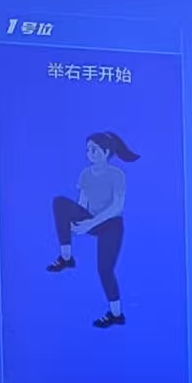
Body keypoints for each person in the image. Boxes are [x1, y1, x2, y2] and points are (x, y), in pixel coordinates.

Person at [46, 130, 141, 327]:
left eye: (94, 150)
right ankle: (66, 257)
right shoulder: (85, 174)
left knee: (104, 269)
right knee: (60, 203)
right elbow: (82, 203)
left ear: (106, 152)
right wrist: (75, 224)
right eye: (88, 150)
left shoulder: (117, 175)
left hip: (111, 224)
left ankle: (116, 314)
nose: (90, 153)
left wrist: (90, 224)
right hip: (91, 219)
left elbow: (117, 207)